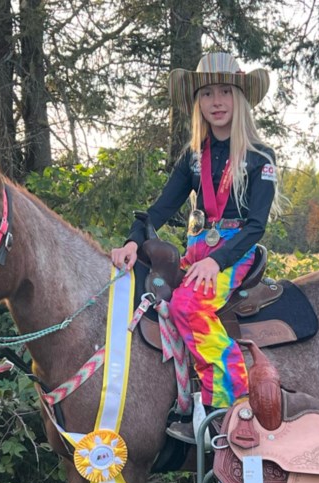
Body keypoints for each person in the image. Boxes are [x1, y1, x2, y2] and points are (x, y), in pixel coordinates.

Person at [110, 52, 280, 444]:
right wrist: (133, 243)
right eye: (207, 94)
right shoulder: (192, 157)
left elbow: (256, 226)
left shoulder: (259, 157)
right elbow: (160, 209)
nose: (216, 101)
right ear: (198, 103)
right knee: (152, 300)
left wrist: (218, 263)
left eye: (225, 92)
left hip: (234, 254)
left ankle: (230, 407)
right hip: (197, 252)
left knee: (188, 306)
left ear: (239, 98)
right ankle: (178, 401)